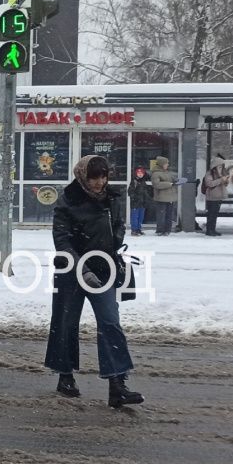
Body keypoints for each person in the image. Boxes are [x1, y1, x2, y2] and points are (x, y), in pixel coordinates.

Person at [46, 155, 143, 408]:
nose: (100, 182)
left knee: (110, 322)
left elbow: (118, 226)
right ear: (83, 176)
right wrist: (83, 268)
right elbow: (62, 241)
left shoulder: (112, 198)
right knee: (66, 323)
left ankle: (117, 385)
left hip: (104, 270)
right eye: (94, 177)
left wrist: (115, 242)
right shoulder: (68, 200)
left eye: (103, 176)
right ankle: (65, 375)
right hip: (71, 271)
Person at [149, 156, 180, 236]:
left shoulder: (167, 173)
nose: (167, 165)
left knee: (169, 215)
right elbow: (156, 184)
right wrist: (170, 184)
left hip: (170, 198)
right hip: (161, 198)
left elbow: (172, 180)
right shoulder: (155, 173)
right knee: (161, 215)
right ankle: (160, 230)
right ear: (161, 164)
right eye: (166, 163)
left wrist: (176, 181)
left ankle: (167, 230)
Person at [200, 157, 230, 237]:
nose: (221, 168)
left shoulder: (221, 173)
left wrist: (226, 181)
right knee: (211, 214)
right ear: (215, 166)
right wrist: (221, 180)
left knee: (215, 214)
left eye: (221, 166)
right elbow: (209, 184)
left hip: (219, 196)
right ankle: (209, 230)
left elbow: (224, 185)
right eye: (219, 166)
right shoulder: (209, 174)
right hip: (212, 197)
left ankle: (213, 229)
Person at [127, 167, 153, 237]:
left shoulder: (144, 182)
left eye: (141, 173)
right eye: (138, 173)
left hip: (143, 203)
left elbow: (146, 192)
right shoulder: (134, 181)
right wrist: (135, 198)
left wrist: (146, 199)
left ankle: (138, 229)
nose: (140, 174)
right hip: (135, 203)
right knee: (134, 217)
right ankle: (134, 230)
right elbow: (130, 192)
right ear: (136, 174)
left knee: (141, 217)